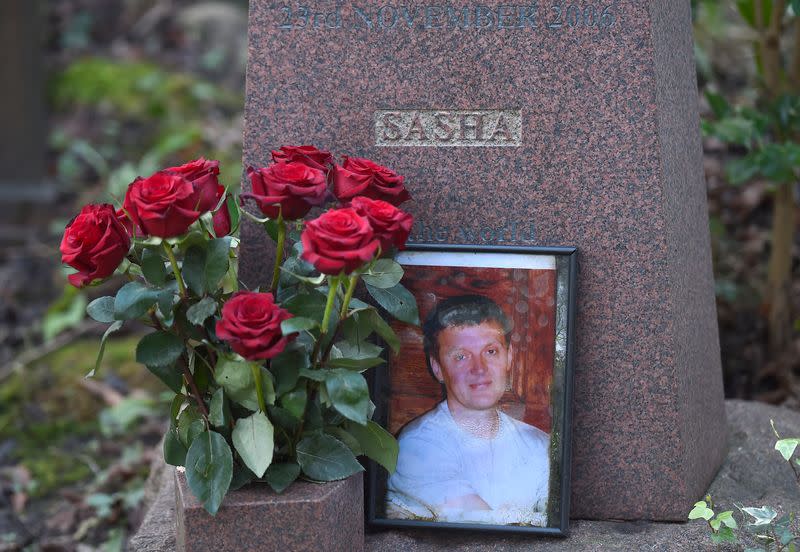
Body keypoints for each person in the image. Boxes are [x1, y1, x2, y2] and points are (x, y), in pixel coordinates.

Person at [385, 295, 551, 526]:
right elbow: (482, 529)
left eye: (490, 352)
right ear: (438, 368)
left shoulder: (540, 445)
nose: (479, 369)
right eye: (461, 356)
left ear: (509, 357)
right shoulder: (416, 447)